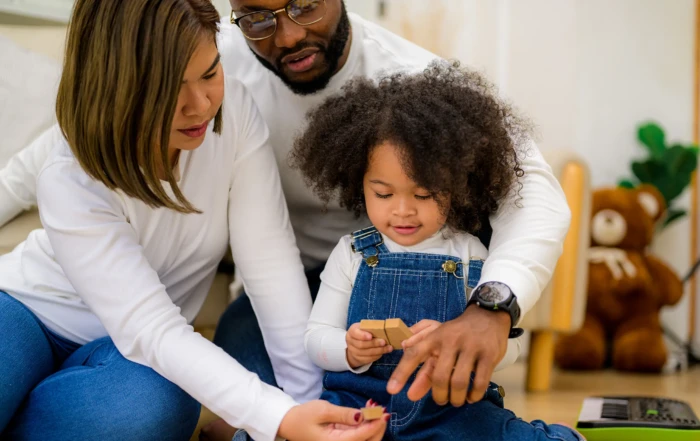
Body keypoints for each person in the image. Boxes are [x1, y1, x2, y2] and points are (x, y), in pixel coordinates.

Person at [0, 1, 571, 437]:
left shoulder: (240, 105)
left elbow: (535, 192)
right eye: (259, 18)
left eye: (304, 5)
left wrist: (493, 305)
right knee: (233, 400)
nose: (289, 33)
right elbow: (46, 163)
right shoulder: (91, 152)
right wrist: (286, 418)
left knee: (165, 404)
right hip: (41, 310)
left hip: (177, 337)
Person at [0, 1, 388, 440]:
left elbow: (270, 266)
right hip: (25, 312)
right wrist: (280, 416)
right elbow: (150, 328)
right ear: (118, 89)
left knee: (161, 406)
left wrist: (305, 404)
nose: (201, 105)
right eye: (170, 90)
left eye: (209, 72)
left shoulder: (234, 114)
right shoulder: (69, 175)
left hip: (127, 361)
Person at [290, 61, 585, 441]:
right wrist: (347, 349)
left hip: (450, 409)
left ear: (457, 186)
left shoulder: (470, 252)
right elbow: (315, 339)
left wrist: (457, 347)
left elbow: (506, 352)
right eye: (383, 194)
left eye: (424, 195)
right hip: (359, 405)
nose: (402, 210)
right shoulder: (353, 252)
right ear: (357, 183)